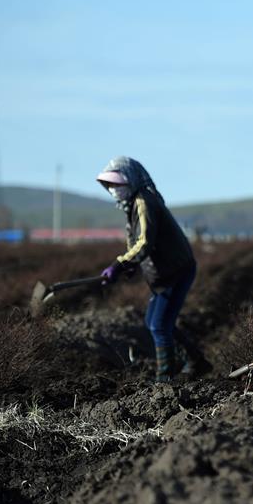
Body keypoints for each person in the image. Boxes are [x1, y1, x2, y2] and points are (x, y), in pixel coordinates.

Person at [96, 156, 197, 382]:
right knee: (157, 321)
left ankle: (165, 377)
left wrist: (119, 264)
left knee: (158, 325)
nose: (113, 190)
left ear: (130, 181)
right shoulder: (131, 204)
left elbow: (144, 242)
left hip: (175, 271)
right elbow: (135, 241)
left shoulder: (143, 201)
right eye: (110, 186)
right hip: (165, 273)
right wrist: (128, 267)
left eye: (117, 184)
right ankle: (195, 360)